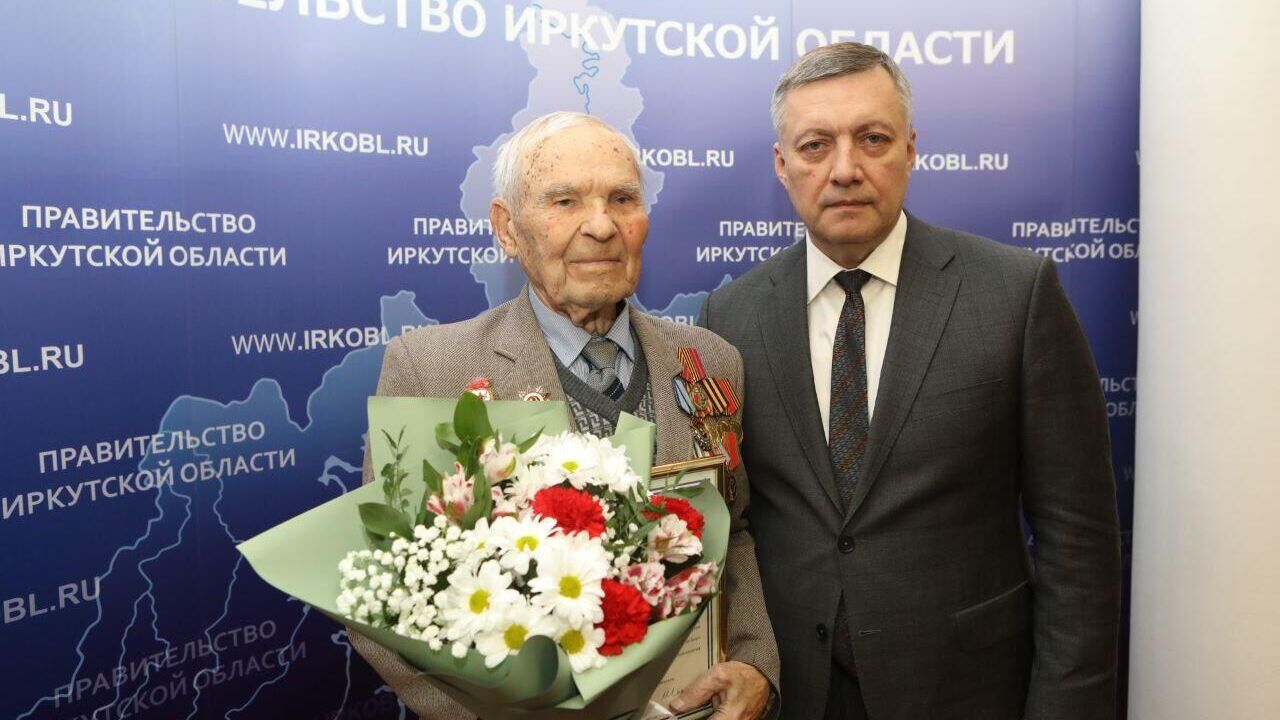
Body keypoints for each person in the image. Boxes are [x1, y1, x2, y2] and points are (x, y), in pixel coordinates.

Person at [699, 42, 1121, 720]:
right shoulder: (731, 316)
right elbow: (735, 523)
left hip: (968, 692)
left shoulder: (1015, 295)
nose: (845, 170)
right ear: (782, 165)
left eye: (872, 139)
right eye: (815, 146)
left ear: (911, 149)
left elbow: (1079, 541)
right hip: (796, 695)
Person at [350, 111, 779, 720]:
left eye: (622, 199)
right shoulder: (431, 371)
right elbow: (384, 601)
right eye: (565, 200)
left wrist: (756, 663)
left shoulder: (711, 361)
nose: (601, 226)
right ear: (507, 228)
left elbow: (733, 533)